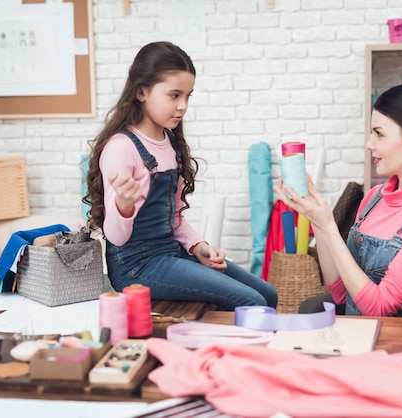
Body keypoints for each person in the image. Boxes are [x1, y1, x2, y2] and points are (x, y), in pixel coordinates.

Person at [84, 41, 277, 310]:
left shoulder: (169, 141)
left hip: (169, 252)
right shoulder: (121, 148)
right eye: (174, 95)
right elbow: (116, 237)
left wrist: (197, 245)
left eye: (188, 96)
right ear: (141, 92)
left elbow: (174, 216)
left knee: (268, 294)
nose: (183, 105)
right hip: (134, 267)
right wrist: (123, 206)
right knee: (251, 301)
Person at [275, 83, 402, 318]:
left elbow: (379, 308)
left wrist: (328, 226)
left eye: (379, 133)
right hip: (361, 333)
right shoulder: (374, 198)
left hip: (401, 344)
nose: (369, 144)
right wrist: (317, 218)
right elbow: (341, 294)